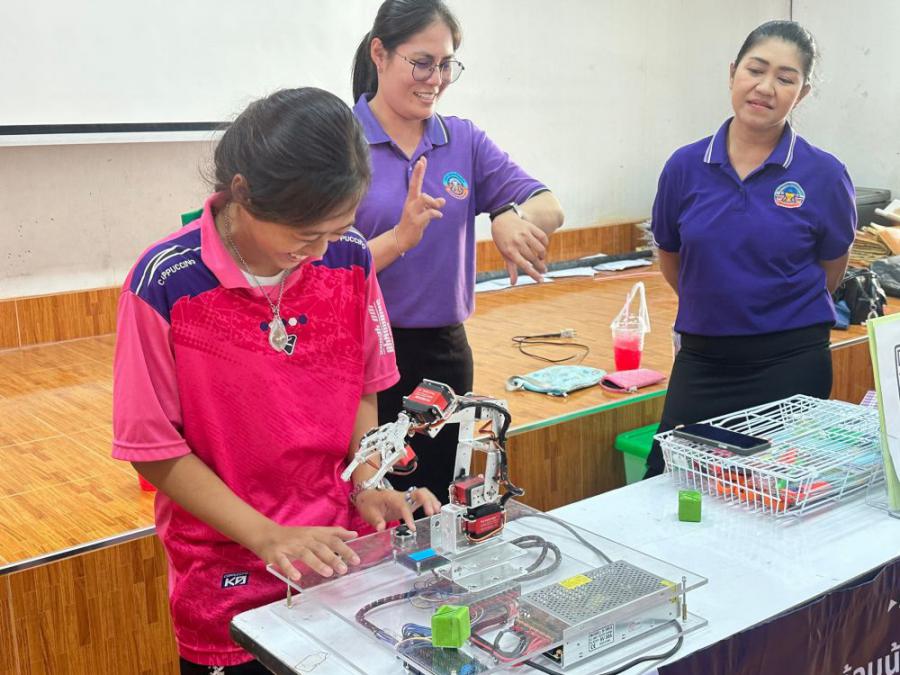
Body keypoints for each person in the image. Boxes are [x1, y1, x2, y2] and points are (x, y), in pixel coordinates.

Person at [111, 87, 441, 674]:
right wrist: (267, 536)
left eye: (335, 229)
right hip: (228, 570)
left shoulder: (348, 257)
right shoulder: (167, 282)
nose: (318, 252)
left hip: (337, 556)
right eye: (304, 234)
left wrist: (367, 481)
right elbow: (154, 449)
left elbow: (361, 386)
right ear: (243, 193)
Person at [350, 0, 565, 501]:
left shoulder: (462, 139)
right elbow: (322, 272)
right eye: (422, 63)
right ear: (379, 54)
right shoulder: (342, 144)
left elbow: (549, 206)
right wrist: (398, 238)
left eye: (446, 64)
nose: (436, 79)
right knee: (373, 502)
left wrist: (509, 214)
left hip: (443, 357)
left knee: (439, 501)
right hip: (360, 354)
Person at [645, 21, 856, 478]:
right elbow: (672, 257)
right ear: (732, 74)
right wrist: (716, 304)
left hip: (792, 363)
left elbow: (832, 267)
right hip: (703, 360)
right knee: (668, 483)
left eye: (785, 78)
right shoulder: (685, 166)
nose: (765, 87)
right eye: (755, 70)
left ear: (802, 93)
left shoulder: (824, 174)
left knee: (775, 494)